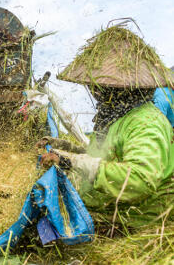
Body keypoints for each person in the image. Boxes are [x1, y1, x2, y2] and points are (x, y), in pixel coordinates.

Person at [38, 26, 173, 229]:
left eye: (98, 86)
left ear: (114, 89)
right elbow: (102, 155)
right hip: (107, 207)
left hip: (135, 221)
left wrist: (71, 161)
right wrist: (61, 147)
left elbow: (139, 180)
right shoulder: (116, 116)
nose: (94, 91)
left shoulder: (146, 123)